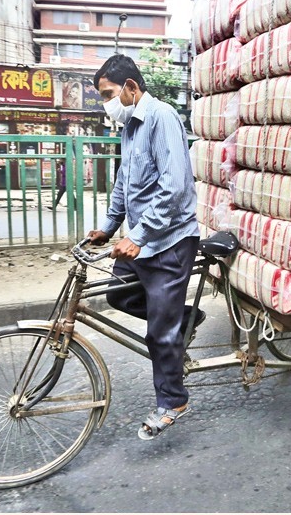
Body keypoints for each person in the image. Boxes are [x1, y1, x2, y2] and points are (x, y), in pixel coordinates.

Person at [86, 54, 201, 441]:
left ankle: (174, 401)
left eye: (108, 94)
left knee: (159, 332)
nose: (106, 103)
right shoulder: (130, 127)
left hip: (169, 240)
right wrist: (108, 226)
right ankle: (182, 320)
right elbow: (125, 181)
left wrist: (137, 236)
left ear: (131, 88)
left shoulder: (162, 117)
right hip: (142, 239)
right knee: (118, 295)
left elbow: (174, 186)